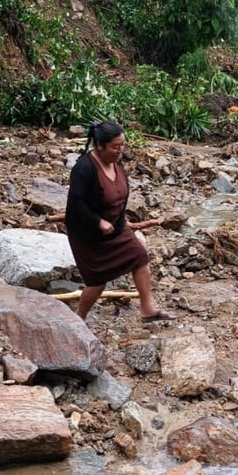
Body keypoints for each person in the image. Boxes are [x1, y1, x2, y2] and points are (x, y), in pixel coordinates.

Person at [64, 121, 175, 324]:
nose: (120, 150)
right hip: (88, 234)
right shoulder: (84, 168)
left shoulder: (116, 163)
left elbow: (120, 194)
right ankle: (79, 319)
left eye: (122, 145)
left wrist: (120, 219)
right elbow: (75, 204)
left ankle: (147, 309)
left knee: (140, 256)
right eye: (115, 146)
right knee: (97, 283)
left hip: (116, 227)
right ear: (99, 145)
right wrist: (98, 222)